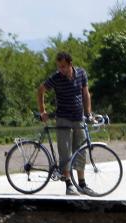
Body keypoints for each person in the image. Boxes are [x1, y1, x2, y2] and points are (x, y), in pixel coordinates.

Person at [37, 51, 96, 197]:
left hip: (78, 117)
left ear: (70, 64)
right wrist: (42, 111)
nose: (61, 70)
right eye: (59, 67)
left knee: (81, 151)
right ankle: (69, 184)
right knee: (66, 152)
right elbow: (40, 90)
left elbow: (86, 94)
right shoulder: (56, 78)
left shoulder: (81, 74)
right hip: (63, 118)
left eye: (63, 66)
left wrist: (88, 113)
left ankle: (82, 184)